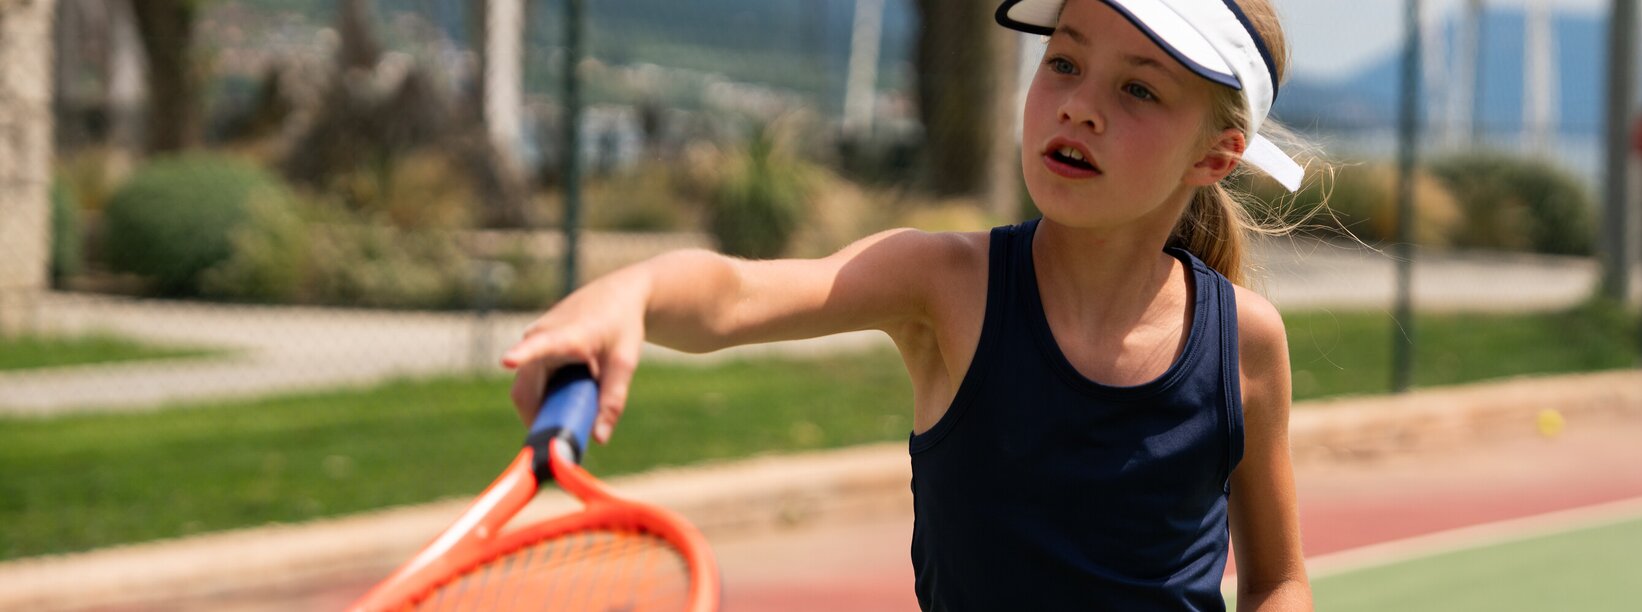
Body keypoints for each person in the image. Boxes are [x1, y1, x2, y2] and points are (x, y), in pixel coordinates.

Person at [501, 0, 1313, 608]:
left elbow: (1278, 579)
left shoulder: (1245, 344)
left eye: (1139, 88)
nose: (1079, 104)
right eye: (1063, 62)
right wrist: (630, 294)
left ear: (1215, 154)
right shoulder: (945, 285)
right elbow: (737, 295)